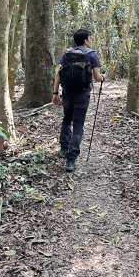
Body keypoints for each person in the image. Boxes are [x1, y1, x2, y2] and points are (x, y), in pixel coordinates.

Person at [52, 29, 104, 172]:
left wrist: (55, 93)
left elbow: (59, 74)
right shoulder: (92, 54)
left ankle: (64, 148)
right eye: (90, 38)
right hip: (82, 94)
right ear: (86, 40)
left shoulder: (67, 54)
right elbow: (97, 77)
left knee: (67, 119)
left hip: (67, 93)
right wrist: (103, 78)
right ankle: (71, 160)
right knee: (78, 125)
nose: (90, 40)